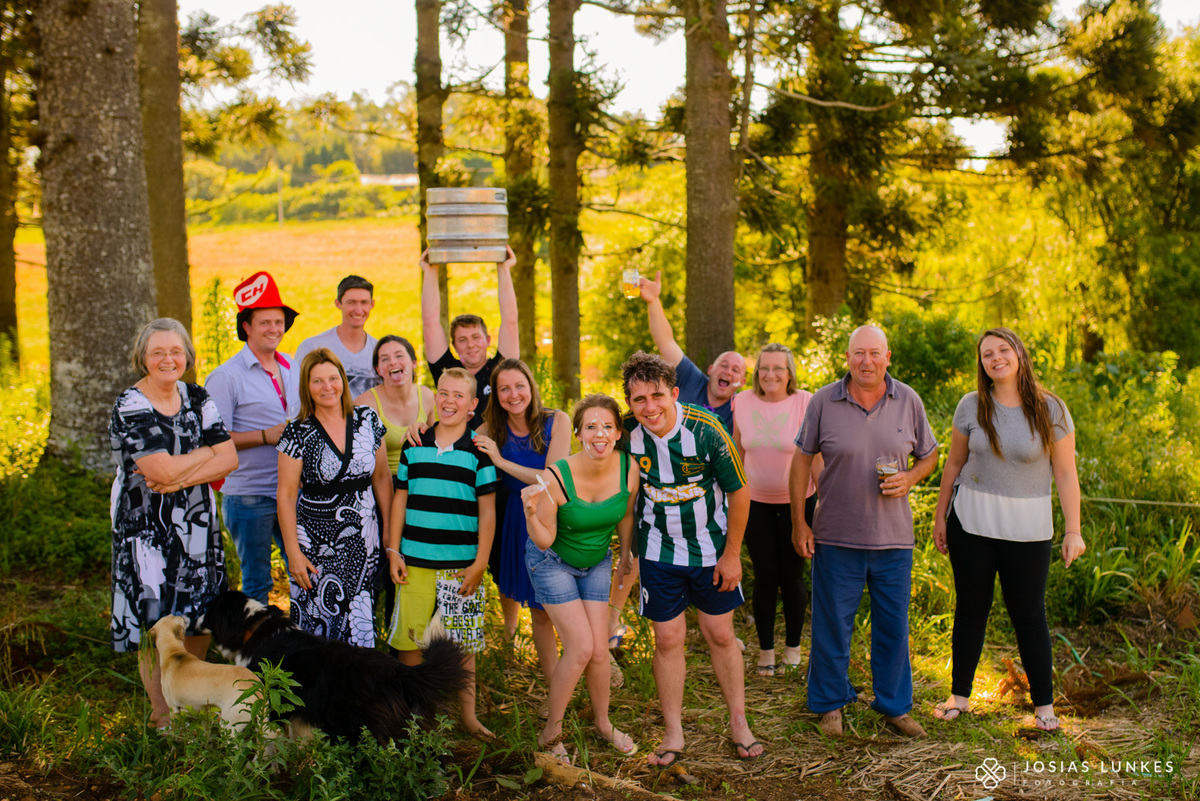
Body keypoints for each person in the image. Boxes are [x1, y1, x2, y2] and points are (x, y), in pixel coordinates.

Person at [931, 327, 1084, 732]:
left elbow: (1066, 474)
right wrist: (939, 514)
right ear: (981, 364)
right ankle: (959, 696)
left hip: (1029, 530)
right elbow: (953, 464)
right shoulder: (970, 406)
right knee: (971, 608)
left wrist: (1074, 531)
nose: (995, 358)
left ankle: (1044, 708)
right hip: (971, 523)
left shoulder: (1051, 409)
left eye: (1002, 350)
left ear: (1019, 352)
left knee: (1029, 614)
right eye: (986, 354)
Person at [789, 325, 938, 738]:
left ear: (888, 356)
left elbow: (929, 456)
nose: (866, 361)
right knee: (832, 624)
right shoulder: (823, 400)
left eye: (875, 353)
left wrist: (909, 479)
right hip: (836, 535)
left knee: (893, 625)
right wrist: (799, 522)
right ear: (848, 357)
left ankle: (894, 706)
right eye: (859, 353)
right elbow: (801, 462)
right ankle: (830, 704)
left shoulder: (907, 399)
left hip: (893, 539)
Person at [621, 352, 763, 766]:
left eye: (657, 396)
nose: (649, 407)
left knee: (719, 633)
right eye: (638, 399)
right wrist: (626, 553)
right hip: (657, 550)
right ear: (629, 403)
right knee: (667, 639)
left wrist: (732, 555)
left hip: (710, 548)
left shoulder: (706, 430)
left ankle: (738, 721)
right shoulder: (627, 433)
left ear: (675, 393)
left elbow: (740, 492)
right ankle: (672, 732)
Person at [109, 318, 238, 727]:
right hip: (147, 529)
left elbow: (230, 458)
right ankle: (162, 714)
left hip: (197, 523)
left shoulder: (197, 396)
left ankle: (190, 697)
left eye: (176, 351)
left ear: (188, 356)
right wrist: (205, 453)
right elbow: (159, 473)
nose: (168, 359)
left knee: (199, 612)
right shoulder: (130, 404)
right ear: (143, 358)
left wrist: (182, 471)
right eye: (158, 352)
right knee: (157, 619)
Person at [520, 394, 640, 763]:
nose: (599, 433)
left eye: (607, 425)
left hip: (598, 561)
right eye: (590, 426)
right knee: (581, 647)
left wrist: (624, 553)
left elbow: (624, 512)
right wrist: (529, 513)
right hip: (552, 560)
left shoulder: (628, 468)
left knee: (600, 650)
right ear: (578, 434)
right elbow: (544, 538)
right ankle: (550, 733)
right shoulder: (557, 476)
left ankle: (603, 724)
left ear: (618, 433)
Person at [385, 368, 499, 738]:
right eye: (443, 393)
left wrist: (480, 563)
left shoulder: (478, 453)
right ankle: (416, 715)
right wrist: (394, 551)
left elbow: (487, 512)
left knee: (462, 645)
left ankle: (467, 715)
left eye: (458, 396)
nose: (449, 400)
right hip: (414, 560)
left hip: (460, 566)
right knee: (410, 642)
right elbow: (399, 499)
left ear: (472, 405)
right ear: (435, 396)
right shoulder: (414, 443)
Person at [276, 349, 392, 646]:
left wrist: (390, 531)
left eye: (333, 378)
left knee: (360, 620)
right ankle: (316, 692)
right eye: (317, 381)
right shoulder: (298, 432)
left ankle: (359, 692)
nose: (327, 387)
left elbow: (381, 477)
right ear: (306, 387)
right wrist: (293, 554)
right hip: (315, 546)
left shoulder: (367, 419)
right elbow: (286, 495)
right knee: (317, 626)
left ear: (342, 379)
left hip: (364, 540)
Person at [474, 359, 570, 685]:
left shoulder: (557, 421)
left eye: (519, 386)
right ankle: (553, 683)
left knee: (559, 606)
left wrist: (499, 460)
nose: (513, 394)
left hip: (550, 518)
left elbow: (551, 478)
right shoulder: (489, 430)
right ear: (495, 394)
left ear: (531, 387)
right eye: (504, 388)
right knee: (538, 611)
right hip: (514, 521)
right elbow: (451, 437)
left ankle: (593, 660)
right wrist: (421, 426)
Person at [205, 271, 299, 604]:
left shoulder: (292, 366)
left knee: (301, 571)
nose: (274, 329)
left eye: (279, 321)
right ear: (246, 326)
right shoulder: (225, 377)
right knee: (257, 582)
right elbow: (212, 441)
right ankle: (251, 654)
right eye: (265, 322)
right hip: (249, 494)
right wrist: (263, 436)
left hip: (292, 491)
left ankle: (300, 649)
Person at [731, 343, 820, 677]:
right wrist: (732, 500)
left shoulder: (805, 401)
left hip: (799, 503)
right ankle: (766, 650)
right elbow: (738, 450)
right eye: (764, 368)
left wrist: (822, 502)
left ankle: (793, 648)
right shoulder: (742, 401)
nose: (770, 374)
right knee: (765, 577)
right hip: (755, 505)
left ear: (790, 372)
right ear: (757, 372)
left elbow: (815, 457)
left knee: (793, 576)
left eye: (778, 368)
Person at [420, 246, 519, 430]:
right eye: (462, 340)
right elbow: (430, 323)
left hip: (497, 450)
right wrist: (430, 271)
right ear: (454, 346)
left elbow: (510, 321)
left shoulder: (501, 367)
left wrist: (504, 269)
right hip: (457, 453)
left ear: (488, 340)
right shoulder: (447, 370)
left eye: (476, 337)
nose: (471, 345)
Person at [354, 335, 436, 477]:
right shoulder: (366, 405)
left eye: (399, 356)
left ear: (414, 362)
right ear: (378, 370)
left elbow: (435, 444)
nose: (392, 362)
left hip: (421, 478)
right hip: (383, 481)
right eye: (385, 359)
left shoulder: (426, 395)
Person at [293, 275, 381, 398]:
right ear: (338, 303)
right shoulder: (312, 347)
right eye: (351, 302)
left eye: (364, 302)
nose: (358, 310)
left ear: (372, 304)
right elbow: (296, 393)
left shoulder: (380, 350)